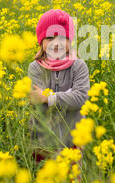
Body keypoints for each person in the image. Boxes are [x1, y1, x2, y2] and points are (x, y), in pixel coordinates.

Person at [27, 9, 90, 163]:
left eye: (63, 38)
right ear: (41, 41)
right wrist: (67, 96)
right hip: (42, 142)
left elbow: (81, 98)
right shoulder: (35, 68)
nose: (57, 43)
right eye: (50, 38)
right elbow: (37, 103)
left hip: (72, 141)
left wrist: (47, 97)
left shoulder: (79, 66)